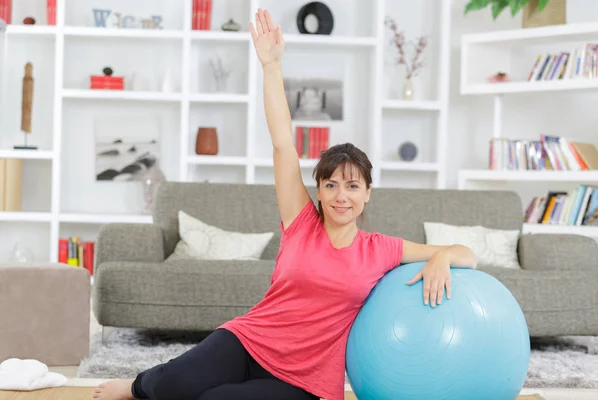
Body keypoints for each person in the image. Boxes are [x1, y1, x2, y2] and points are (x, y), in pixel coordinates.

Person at [93, 8, 477, 400]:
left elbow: (469, 255)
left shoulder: (381, 248)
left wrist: (442, 256)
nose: (341, 196)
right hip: (249, 340)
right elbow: (282, 143)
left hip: (304, 379)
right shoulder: (302, 222)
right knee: (171, 385)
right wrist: (271, 66)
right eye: (330, 185)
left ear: (367, 192)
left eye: (352, 186)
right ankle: (137, 386)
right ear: (320, 191)